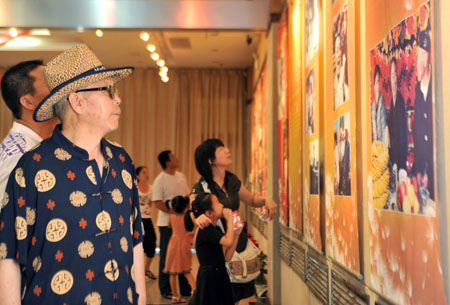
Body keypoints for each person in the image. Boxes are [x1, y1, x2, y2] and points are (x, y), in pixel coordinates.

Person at [0, 44, 146, 305]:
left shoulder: (122, 161)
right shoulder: (31, 168)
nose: (118, 99)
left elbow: (135, 241)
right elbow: (9, 254)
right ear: (77, 101)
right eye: (108, 90)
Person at [191, 138, 277, 304]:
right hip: (220, 248)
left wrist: (266, 199)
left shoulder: (232, 180)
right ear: (211, 160)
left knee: (245, 296)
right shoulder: (202, 187)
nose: (227, 150)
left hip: (238, 241)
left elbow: (251, 199)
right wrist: (197, 218)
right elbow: (192, 210)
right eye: (221, 149)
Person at [0, 60, 58, 211]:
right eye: (51, 84)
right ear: (28, 102)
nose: (62, 90)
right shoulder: (21, 156)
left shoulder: (38, 146)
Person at [152, 150, 192, 299]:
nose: (177, 158)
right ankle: (166, 289)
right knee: (167, 257)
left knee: (183, 255)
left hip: (183, 223)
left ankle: (185, 289)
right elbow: (157, 202)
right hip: (167, 224)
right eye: (173, 156)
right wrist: (173, 212)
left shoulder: (181, 176)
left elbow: (187, 196)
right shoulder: (160, 180)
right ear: (168, 162)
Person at [192, 193, 242, 305]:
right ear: (209, 213)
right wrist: (230, 221)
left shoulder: (215, 229)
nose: (222, 205)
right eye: (218, 203)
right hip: (209, 279)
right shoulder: (206, 230)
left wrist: (236, 234)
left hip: (219, 275)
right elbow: (228, 241)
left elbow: (227, 257)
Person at [413, 30, 434, 201]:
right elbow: (417, 134)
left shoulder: (436, 86)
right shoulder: (417, 92)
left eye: (420, 55)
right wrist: (419, 171)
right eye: (416, 56)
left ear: (427, 57)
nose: (417, 62)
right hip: (424, 181)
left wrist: (430, 175)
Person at [163, 196, 196, 304]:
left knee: (172, 272)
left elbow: (169, 226)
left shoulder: (171, 216)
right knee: (187, 271)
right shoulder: (187, 216)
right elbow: (195, 226)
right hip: (184, 243)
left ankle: (175, 296)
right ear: (185, 205)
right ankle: (196, 293)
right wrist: (191, 234)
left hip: (173, 244)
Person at [387, 57, 408, 180]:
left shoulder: (399, 100)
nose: (393, 78)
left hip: (400, 163)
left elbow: (402, 137)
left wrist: (400, 166)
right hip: (394, 160)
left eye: (395, 74)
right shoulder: (392, 101)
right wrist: (386, 127)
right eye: (391, 74)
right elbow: (391, 126)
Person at [136, 166, 157, 280]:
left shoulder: (152, 188)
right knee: (137, 245)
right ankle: (135, 271)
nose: (146, 174)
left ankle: (146, 269)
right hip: (136, 220)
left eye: (147, 172)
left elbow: (151, 203)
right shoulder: (134, 187)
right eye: (144, 172)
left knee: (152, 243)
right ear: (138, 176)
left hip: (147, 219)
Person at [371, 64, 388, 145]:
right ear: (373, 85)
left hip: (382, 144)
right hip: (375, 144)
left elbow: (384, 125)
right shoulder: (373, 106)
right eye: (375, 82)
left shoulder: (382, 100)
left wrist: (384, 146)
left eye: (378, 81)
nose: (377, 85)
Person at [334, 35, 349, 110]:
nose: (338, 55)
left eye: (339, 49)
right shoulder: (334, 85)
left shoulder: (347, 87)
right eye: (336, 51)